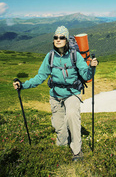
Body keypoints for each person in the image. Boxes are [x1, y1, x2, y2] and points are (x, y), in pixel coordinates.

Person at [13, 26, 98, 161]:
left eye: (61, 37)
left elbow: (86, 75)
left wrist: (92, 67)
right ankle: (62, 146)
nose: (58, 40)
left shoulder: (75, 56)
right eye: (56, 37)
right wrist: (23, 85)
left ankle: (77, 151)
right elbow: (40, 77)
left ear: (67, 40)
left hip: (72, 94)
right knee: (59, 125)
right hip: (55, 95)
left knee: (71, 116)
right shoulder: (50, 56)